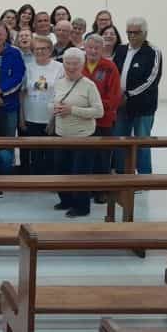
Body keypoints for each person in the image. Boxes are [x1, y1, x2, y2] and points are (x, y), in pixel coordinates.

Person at [52, 48, 103, 217]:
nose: (71, 67)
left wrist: (72, 110)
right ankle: (66, 200)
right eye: (67, 63)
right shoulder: (58, 82)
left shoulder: (89, 85)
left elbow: (98, 111)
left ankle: (82, 207)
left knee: (80, 172)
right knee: (61, 169)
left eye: (75, 64)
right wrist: (55, 108)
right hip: (61, 135)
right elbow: (52, 103)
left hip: (83, 137)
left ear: (82, 65)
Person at [113, 17, 162, 175]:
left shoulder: (153, 52)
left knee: (142, 142)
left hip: (143, 107)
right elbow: (114, 73)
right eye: (129, 32)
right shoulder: (121, 50)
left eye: (136, 32)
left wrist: (128, 95)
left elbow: (151, 80)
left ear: (145, 33)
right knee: (120, 140)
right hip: (122, 105)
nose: (132, 36)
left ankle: (144, 177)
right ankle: (123, 175)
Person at [83, 34, 122, 200]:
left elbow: (114, 97)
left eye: (96, 48)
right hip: (82, 121)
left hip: (103, 120)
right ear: (84, 48)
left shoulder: (109, 67)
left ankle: (101, 191)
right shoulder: (78, 65)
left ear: (102, 49)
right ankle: (86, 189)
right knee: (85, 156)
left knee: (102, 157)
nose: (92, 51)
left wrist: (95, 108)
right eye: (90, 47)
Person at [20, 35, 64, 175]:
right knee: (35, 153)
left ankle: (50, 181)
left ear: (50, 50)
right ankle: (35, 181)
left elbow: (62, 95)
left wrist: (54, 119)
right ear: (32, 51)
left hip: (51, 118)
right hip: (31, 116)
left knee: (51, 153)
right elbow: (21, 93)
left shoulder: (60, 67)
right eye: (37, 49)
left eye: (44, 48)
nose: (40, 51)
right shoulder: (27, 68)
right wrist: (21, 118)